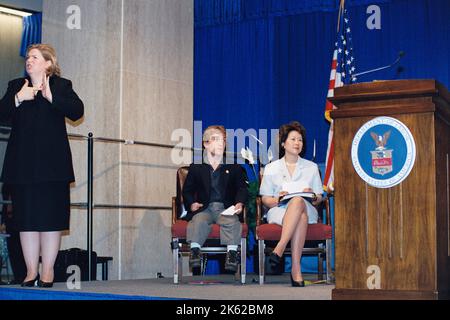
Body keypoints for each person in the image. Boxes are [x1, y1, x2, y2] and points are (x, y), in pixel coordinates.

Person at [0, 44, 84, 287]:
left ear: (48, 63)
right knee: (26, 222)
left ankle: (47, 272)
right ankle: (30, 272)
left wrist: (51, 98)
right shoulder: (17, 85)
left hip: (53, 168)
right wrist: (18, 99)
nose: (29, 60)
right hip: (22, 167)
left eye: (35, 57)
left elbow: (78, 111)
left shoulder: (61, 85)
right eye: (27, 57)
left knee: (50, 220)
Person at [259, 121, 323, 287]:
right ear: (283, 143)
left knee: (299, 201)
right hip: (279, 209)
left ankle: (279, 248)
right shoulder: (271, 168)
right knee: (298, 212)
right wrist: (278, 199)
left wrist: (313, 195)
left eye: (300, 140)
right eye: (293, 139)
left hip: (308, 208)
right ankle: (296, 269)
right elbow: (265, 198)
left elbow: (319, 198)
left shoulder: (311, 167)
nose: (297, 143)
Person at [182, 125, 248, 272]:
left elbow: (242, 188)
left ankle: (231, 254)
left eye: (223, 141)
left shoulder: (233, 167)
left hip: (225, 209)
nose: (221, 144)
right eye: (216, 140)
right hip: (204, 208)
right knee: (198, 221)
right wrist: (191, 204)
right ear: (206, 144)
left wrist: (239, 202)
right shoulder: (196, 167)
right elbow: (187, 190)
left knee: (232, 222)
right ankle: (195, 252)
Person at [1, 184, 27, 284]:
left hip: (21, 219)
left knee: (21, 249)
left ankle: (25, 275)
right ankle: (18, 276)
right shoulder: (6, 184)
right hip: (9, 219)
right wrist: (3, 221)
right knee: (12, 249)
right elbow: (5, 203)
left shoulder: (21, 181)